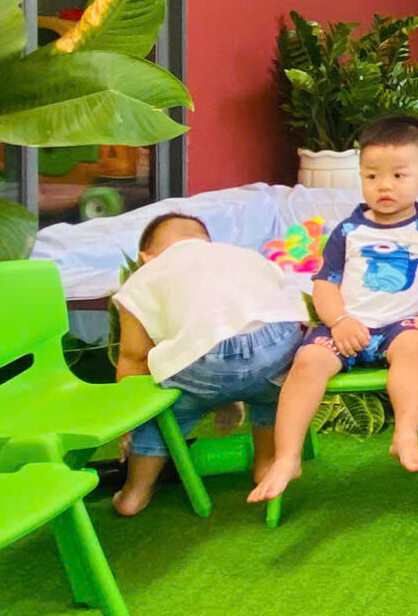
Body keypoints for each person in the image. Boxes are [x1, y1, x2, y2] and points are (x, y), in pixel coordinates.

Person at [269, 115, 418, 493]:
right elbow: (325, 284)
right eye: (372, 176)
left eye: (398, 175)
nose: (384, 185)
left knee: (413, 346)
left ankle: (405, 435)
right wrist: (339, 321)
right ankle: (286, 458)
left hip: (400, 327)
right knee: (307, 362)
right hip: (346, 327)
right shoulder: (348, 232)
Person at [107, 211, 341, 516]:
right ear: (207, 242)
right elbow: (269, 301)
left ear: (145, 257)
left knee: (165, 414)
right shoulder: (241, 255)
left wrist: (130, 420)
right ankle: (266, 463)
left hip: (204, 361)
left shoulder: (144, 277)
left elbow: (133, 357)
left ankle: (134, 494)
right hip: (276, 341)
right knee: (277, 393)